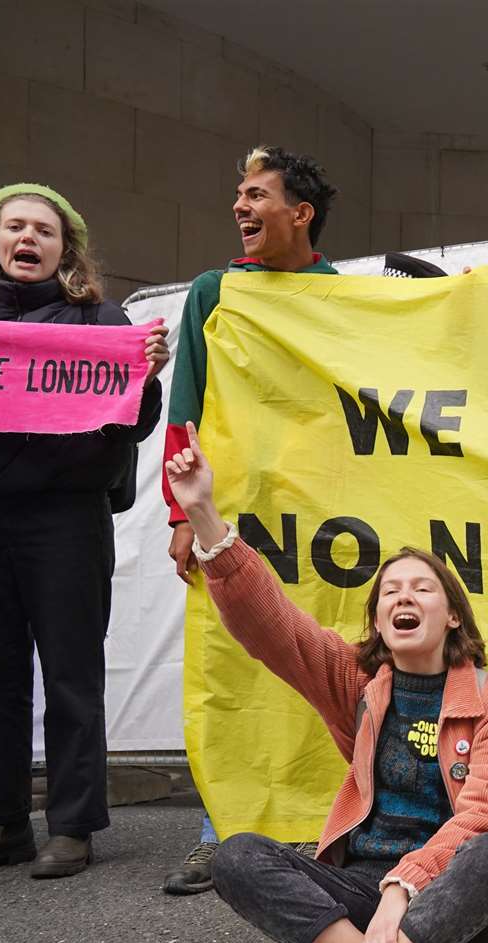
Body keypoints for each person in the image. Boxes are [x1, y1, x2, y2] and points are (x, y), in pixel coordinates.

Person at [163, 422, 488, 943]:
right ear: (378, 619)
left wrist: (403, 890)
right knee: (237, 857)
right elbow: (274, 627)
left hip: (455, 897)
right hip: (364, 891)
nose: (405, 596)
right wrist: (203, 511)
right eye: (391, 589)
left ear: (451, 617)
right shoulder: (359, 683)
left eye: (423, 588)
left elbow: (487, 815)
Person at [161, 145, 340, 895]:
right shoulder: (214, 291)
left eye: (257, 194)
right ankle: (220, 831)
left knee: (318, 659)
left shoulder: (347, 297)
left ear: (299, 214)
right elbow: (186, 402)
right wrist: (179, 513)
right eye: (238, 194)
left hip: (325, 522)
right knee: (231, 664)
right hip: (227, 511)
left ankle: (326, 825)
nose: (240, 207)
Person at [0, 183, 170, 878]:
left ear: (67, 247)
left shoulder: (100, 320)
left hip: (66, 520)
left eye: (44, 229)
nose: (28, 239)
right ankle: (4, 820)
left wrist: (146, 375)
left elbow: (133, 424)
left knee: (70, 676)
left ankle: (71, 826)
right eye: (14, 227)